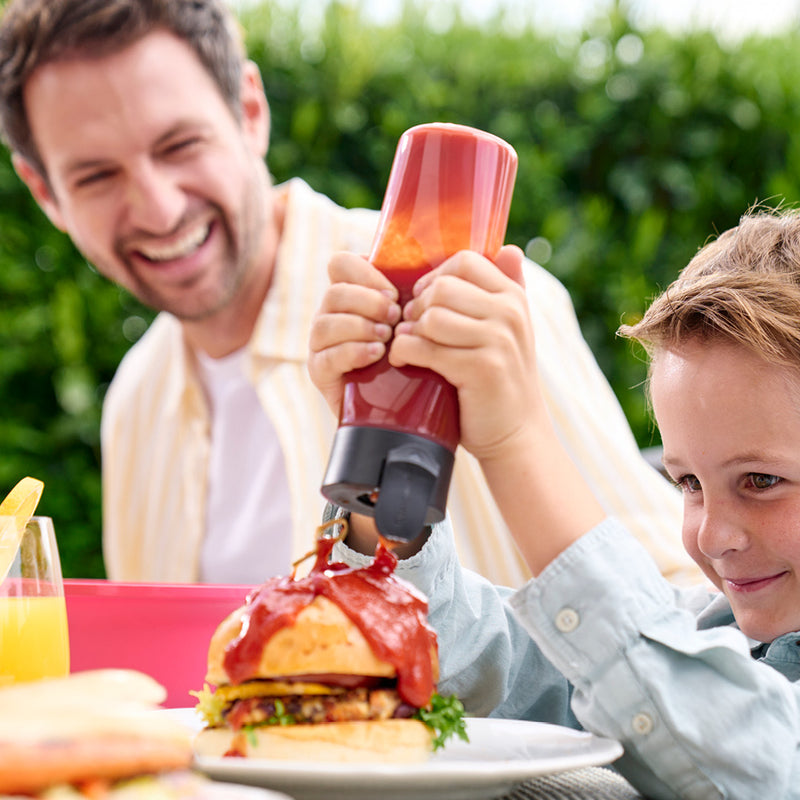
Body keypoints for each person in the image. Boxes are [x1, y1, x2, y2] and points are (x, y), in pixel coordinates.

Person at [0, 0, 698, 587]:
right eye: (95, 176)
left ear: (249, 112)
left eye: (180, 144)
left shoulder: (462, 302)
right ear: (46, 195)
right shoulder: (135, 399)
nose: (155, 208)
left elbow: (678, 607)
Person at [310, 207, 800, 798]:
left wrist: (518, 442)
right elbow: (478, 661)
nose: (713, 536)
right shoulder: (722, 634)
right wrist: (383, 442)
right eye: (689, 484)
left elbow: (751, 768)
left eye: (761, 481)